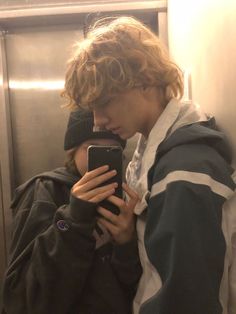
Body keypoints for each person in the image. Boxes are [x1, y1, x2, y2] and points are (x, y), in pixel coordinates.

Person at [62, 16, 236, 314]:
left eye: (104, 102)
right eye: (92, 108)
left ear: (144, 80)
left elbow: (188, 302)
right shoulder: (152, 160)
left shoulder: (184, 173)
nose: (97, 121)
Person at [2, 109, 142, 314]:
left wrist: (126, 244)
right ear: (72, 150)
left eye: (112, 150)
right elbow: (24, 296)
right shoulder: (44, 191)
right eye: (91, 149)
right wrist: (73, 219)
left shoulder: (123, 197)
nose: (102, 162)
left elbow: (130, 285)